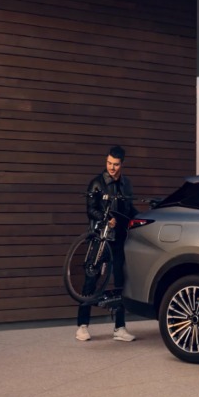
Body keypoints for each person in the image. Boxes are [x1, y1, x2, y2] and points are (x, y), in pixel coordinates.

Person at [76, 145, 138, 342]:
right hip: (100, 238)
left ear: (122, 164)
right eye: (109, 163)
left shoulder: (126, 184)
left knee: (121, 281)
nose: (112, 167)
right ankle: (82, 326)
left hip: (119, 239)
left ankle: (120, 327)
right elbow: (90, 210)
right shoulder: (96, 183)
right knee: (91, 278)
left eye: (116, 164)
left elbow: (129, 207)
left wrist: (142, 217)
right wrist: (106, 218)